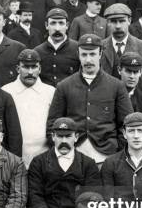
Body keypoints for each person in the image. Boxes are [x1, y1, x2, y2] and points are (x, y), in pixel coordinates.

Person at [47, 34, 133, 166]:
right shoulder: (64, 86)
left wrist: (117, 152)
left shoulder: (116, 86)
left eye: (92, 54)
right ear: (78, 54)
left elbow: (127, 123)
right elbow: (52, 124)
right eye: (84, 54)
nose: (88, 60)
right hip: (73, 158)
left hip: (106, 157)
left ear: (100, 54)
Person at [2, 49, 56, 167]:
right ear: (18, 69)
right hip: (13, 159)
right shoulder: (6, 91)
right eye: (26, 67)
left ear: (40, 69)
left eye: (34, 67)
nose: (30, 72)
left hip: (45, 159)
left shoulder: (50, 92)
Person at [101, 3, 142, 95]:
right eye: (114, 21)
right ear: (107, 23)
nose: (118, 26)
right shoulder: (100, 47)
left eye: (122, 21)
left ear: (129, 21)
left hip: (136, 104)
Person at [33, 7, 80, 87]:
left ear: (67, 25)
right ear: (46, 25)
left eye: (61, 23)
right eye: (53, 23)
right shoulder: (37, 52)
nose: (57, 28)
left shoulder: (78, 49)